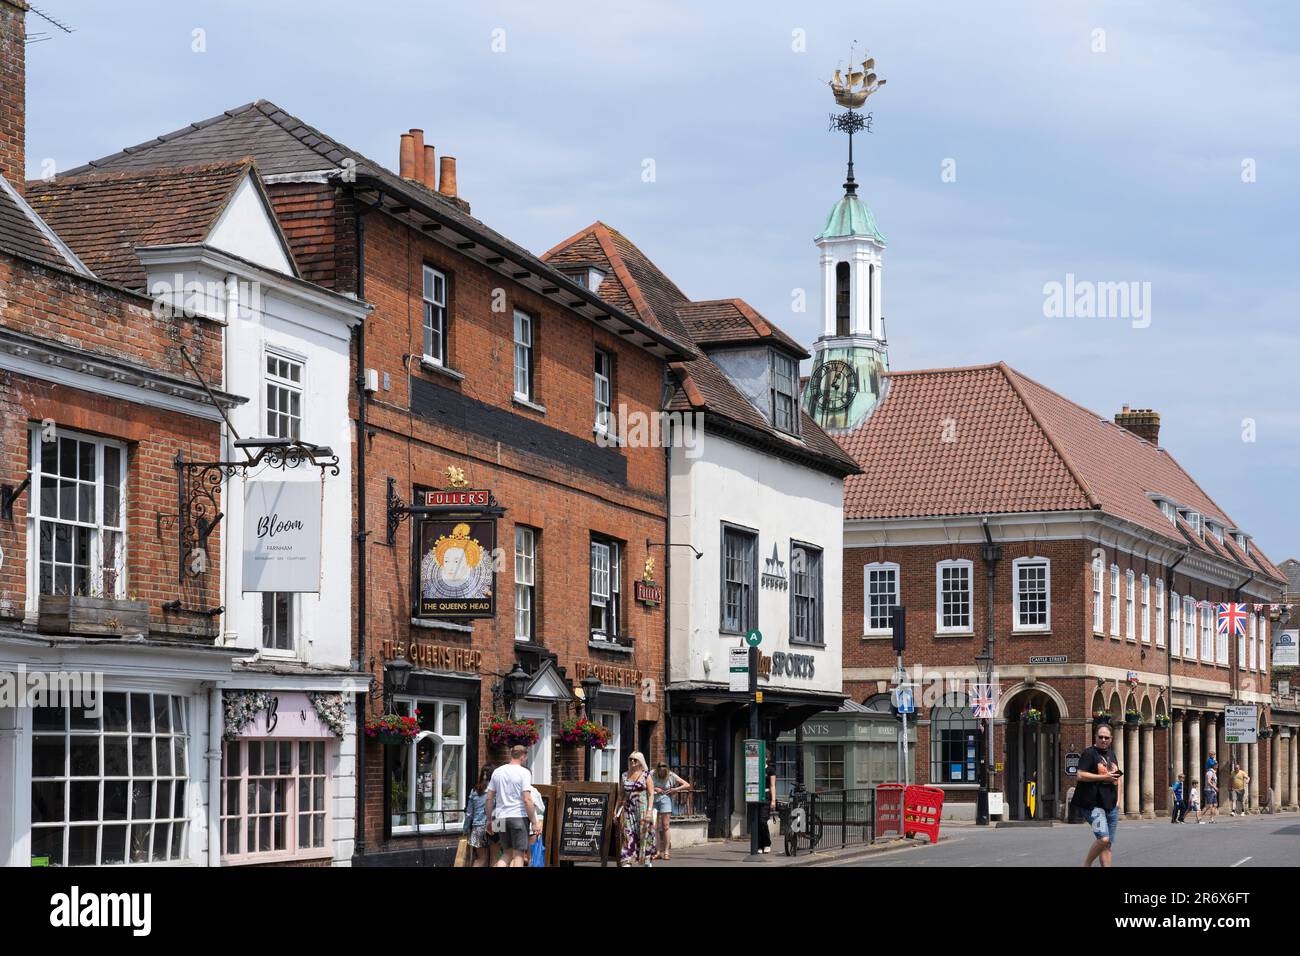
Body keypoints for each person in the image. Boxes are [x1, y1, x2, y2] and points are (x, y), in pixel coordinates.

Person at [1072, 724, 1121, 867]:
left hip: (1111, 805)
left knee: (1107, 845)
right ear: (1096, 737)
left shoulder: (1112, 754)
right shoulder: (1089, 753)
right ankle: (1086, 865)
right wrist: (1103, 777)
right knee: (1103, 839)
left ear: (1111, 739)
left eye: (1106, 737)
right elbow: (1080, 775)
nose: (1103, 740)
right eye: (1101, 737)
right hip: (1092, 804)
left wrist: (1118, 800)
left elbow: (1118, 777)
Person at [485, 745, 541, 867]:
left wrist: (489, 820)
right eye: (526, 757)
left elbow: (489, 799)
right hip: (518, 817)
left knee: (506, 853)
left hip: (499, 817)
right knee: (518, 856)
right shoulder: (524, 772)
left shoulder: (497, 772)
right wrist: (535, 822)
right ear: (523, 756)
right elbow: (527, 799)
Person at [616, 751, 656, 867]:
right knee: (628, 833)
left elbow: (651, 794)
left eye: (635, 760)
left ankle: (646, 861)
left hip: (642, 809)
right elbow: (621, 795)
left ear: (640, 762)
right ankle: (627, 860)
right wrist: (615, 811)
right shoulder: (624, 775)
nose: (632, 761)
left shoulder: (646, 775)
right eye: (630, 759)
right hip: (628, 809)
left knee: (643, 834)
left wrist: (649, 810)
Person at [651, 762, 690, 861]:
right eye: (660, 767)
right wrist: (655, 788)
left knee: (665, 826)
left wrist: (675, 789)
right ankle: (657, 852)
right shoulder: (652, 774)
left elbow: (687, 785)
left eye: (664, 766)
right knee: (654, 826)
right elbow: (644, 785)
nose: (662, 768)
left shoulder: (671, 775)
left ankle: (666, 851)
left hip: (665, 800)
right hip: (654, 800)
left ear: (667, 769)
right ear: (657, 768)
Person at [463, 763, 494, 866]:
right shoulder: (496, 791)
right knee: (495, 858)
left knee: (480, 859)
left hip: (477, 827)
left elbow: (469, 813)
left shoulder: (475, 790)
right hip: (496, 825)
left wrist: (466, 829)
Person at [756, 752, 778, 853]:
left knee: (762, 821)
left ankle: (767, 843)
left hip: (766, 796)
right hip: (756, 797)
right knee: (756, 823)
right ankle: (759, 845)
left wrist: (773, 800)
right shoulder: (755, 769)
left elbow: (773, 785)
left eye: (763, 757)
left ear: (766, 758)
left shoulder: (770, 770)